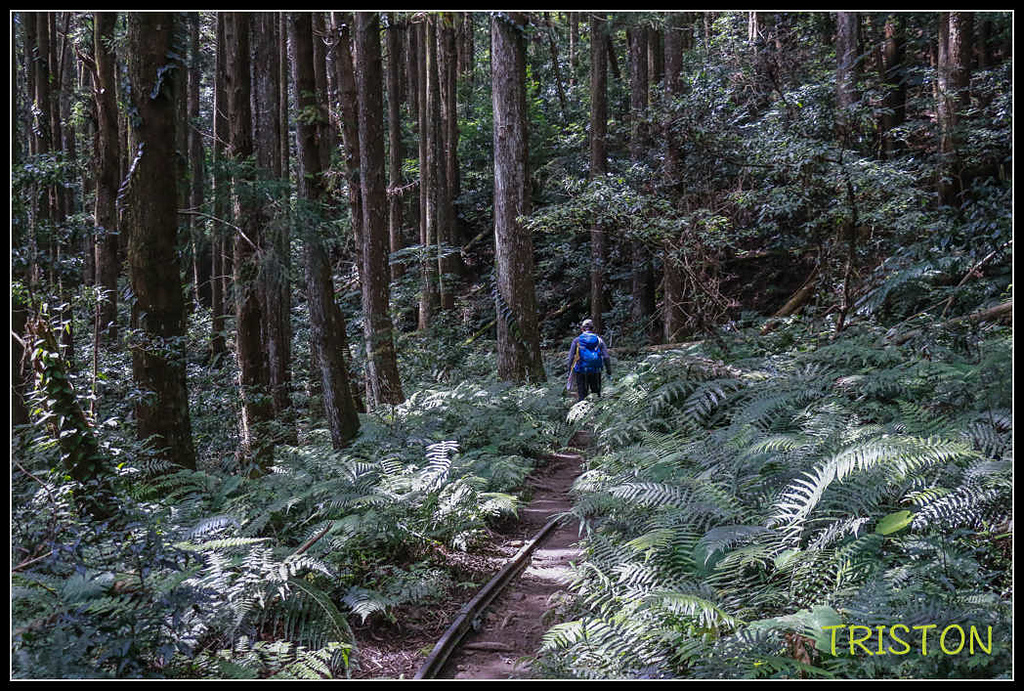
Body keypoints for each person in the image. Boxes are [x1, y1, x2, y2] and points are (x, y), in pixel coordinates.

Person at [567, 319, 611, 402]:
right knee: (596, 393)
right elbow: (606, 357)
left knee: (582, 395)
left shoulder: (577, 340)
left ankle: (582, 412)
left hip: (580, 370)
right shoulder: (599, 340)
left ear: (582, 329)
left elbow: (570, 358)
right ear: (593, 329)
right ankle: (597, 413)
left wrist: (569, 371)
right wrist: (609, 371)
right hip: (596, 370)